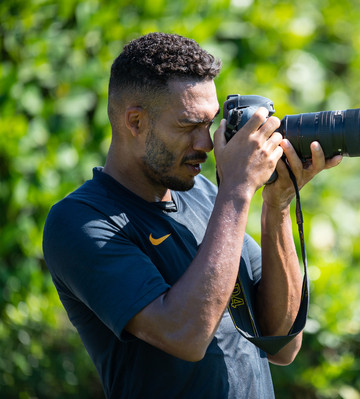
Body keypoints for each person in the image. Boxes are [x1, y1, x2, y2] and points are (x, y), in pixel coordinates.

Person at [42, 32, 342, 398]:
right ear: (135, 122)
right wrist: (237, 191)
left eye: (209, 123)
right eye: (188, 126)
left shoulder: (205, 195)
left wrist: (276, 205)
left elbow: (281, 343)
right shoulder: (82, 221)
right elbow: (185, 336)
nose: (206, 144)